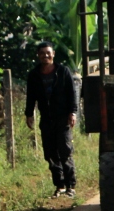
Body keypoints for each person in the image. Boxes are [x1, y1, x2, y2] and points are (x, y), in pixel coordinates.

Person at [25, 41, 79, 198]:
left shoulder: (63, 71)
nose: (45, 56)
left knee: (65, 151)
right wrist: (29, 114)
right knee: (50, 153)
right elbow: (31, 96)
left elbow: (72, 93)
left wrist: (72, 112)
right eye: (42, 53)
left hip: (62, 118)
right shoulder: (34, 75)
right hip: (46, 119)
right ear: (38, 55)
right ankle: (59, 185)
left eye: (48, 53)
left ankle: (71, 185)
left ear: (53, 54)